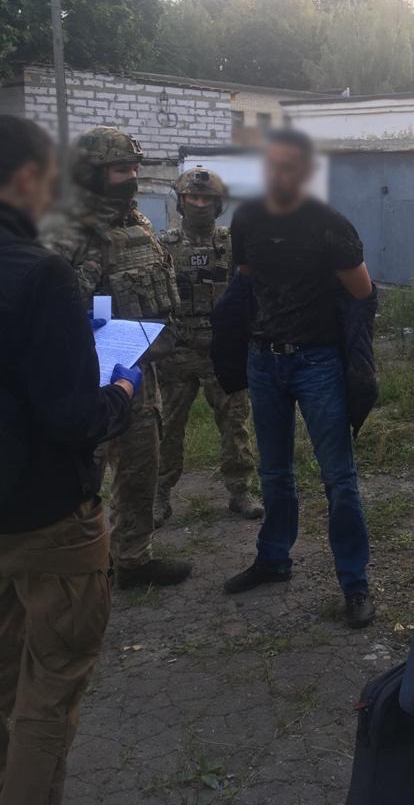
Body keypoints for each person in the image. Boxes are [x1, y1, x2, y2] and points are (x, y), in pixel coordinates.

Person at [0, 114, 142, 805]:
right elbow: (74, 419)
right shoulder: (42, 271)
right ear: (29, 177)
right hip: (47, 516)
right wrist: (120, 391)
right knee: (49, 691)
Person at [223, 130, 376, 629]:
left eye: (289, 165)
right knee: (274, 473)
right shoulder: (247, 217)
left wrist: (357, 363)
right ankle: (274, 559)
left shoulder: (329, 224)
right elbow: (247, 280)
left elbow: (362, 293)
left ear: (307, 171)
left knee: (339, 478)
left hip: (317, 363)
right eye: (271, 164)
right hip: (263, 361)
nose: (278, 174)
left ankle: (354, 582)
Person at [41, 126, 191, 590]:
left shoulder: (137, 222)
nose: (132, 177)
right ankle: (70, 566)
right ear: (91, 172)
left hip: (137, 371)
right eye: (120, 169)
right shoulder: (64, 230)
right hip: (84, 380)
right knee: (76, 479)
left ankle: (133, 559)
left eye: (134, 168)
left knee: (141, 468)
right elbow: (40, 306)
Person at [155, 168, 262, 525]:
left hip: (223, 349)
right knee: (167, 427)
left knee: (235, 425)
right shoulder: (163, 246)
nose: (199, 204)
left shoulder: (233, 244)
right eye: (193, 198)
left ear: (218, 204)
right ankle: (159, 495)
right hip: (179, 349)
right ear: (181, 202)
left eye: (207, 199)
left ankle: (241, 491)